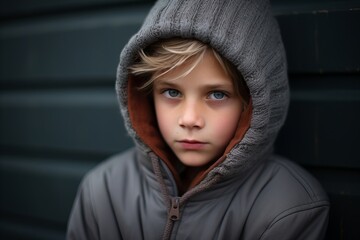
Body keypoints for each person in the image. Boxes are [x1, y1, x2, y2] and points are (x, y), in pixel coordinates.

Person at [67, 0, 330, 239]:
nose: (190, 119)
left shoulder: (289, 206)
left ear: (252, 103)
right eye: (172, 92)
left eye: (217, 94)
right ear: (146, 96)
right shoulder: (102, 192)